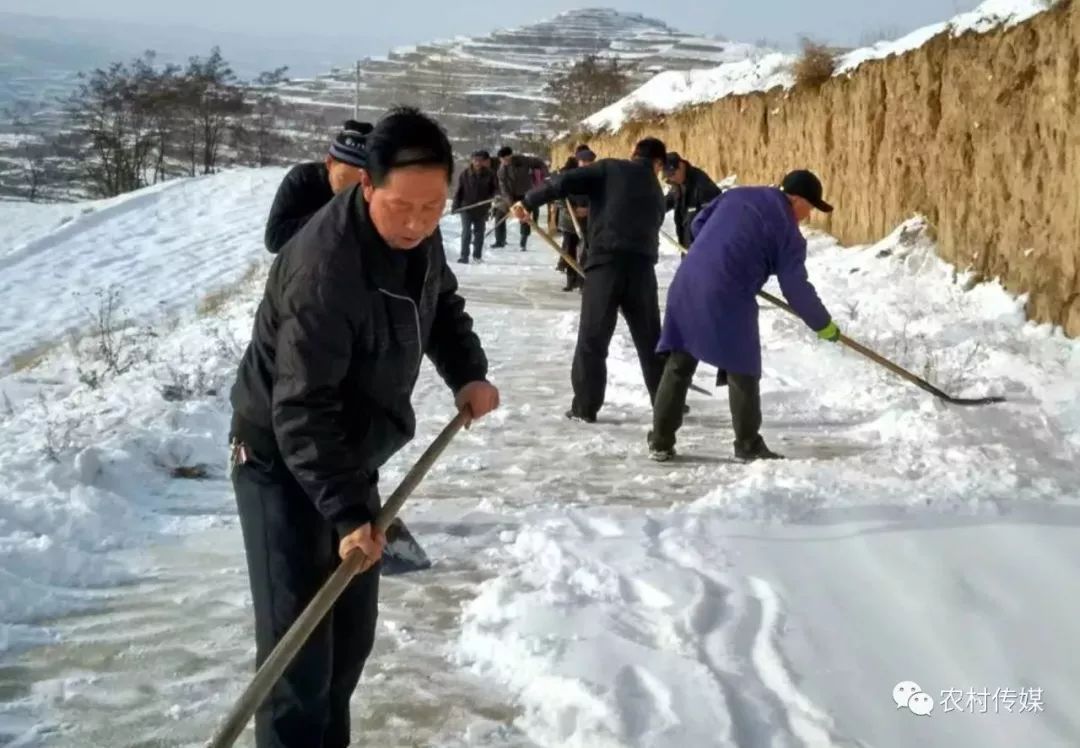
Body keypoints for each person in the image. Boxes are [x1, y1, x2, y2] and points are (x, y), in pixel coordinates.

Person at [228, 106, 500, 748]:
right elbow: (299, 408)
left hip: (348, 453)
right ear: (366, 186)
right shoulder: (323, 271)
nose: (418, 223)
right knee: (298, 658)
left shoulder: (418, 232)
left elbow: (442, 307)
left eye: (433, 208)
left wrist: (468, 371)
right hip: (279, 460)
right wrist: (350, 513)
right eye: (402, 207)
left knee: (348, 642)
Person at [648, 169, 840, 463]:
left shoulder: (737, 195)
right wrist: (823, 324)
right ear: (797, 200)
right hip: (728, 293)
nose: (808, 215)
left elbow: (698, 224)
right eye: (810, 207)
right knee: (742, 368)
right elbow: (795, 287)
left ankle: (660, 441)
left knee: (679, 362)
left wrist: (724, 253)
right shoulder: (788, 232)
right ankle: (748, 445)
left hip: (687, 281)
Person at [511, 137, 669, 423]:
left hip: (605, 265)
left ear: (633, 152)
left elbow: (562, 182)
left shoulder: (609, 168)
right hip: (642, 269)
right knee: (650, 340)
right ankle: (666, 402)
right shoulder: (656, 189)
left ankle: (585, 407)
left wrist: (528, 201)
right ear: (657, 163)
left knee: (593, 339)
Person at [263, 120, 373, 253]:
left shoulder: (371, 191)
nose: (348, 190)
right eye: (342, 178)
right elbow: (274, 240)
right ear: (329, 163)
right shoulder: (303, 179)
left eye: (357, 184)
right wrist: (333, 215)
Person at [662, 152, 722, 250]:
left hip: (703, 249)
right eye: (669, 176)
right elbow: (666, 202)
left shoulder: (702, 186)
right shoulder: (677, 185)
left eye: (673, 174)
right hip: (687, 248)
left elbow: (715, 219)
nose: (672, 178)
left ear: (681, 166)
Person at [497, 146, 548, 251]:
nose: (504, 161)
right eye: (501, 160)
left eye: (505, 159)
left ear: (510, 156)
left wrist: (546, 175)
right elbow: (504, 189)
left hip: (525, 194)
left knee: (524, 217)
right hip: (511, 196)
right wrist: (512, 205)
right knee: (499, 214)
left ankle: (523, 242)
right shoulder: (501, 170)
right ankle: (500, 240)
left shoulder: (523, 160)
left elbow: (540, 163)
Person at [452, 149, 497, 263]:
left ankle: (477, 256)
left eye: (480, 161)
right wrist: (455, 205)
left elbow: (495, 189)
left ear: (483, 162)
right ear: (471, 161)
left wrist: (495, 197)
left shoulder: (489, 174)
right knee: (466, 232)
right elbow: (459, 191)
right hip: (467, 207)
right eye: (475, 160)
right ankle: (464, 256)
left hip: (481, 208)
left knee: (479, 233)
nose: (477, 163)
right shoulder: (465, 174)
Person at [554, 156, 588, 292]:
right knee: (569, 250)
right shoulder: (565, 177)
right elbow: (558, 199)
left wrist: (588, 210)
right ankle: (570, 280)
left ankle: (582, 281)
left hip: (587, 220)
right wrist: (572, 211)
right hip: (569, 221)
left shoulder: (589, 176)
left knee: (585, 252)